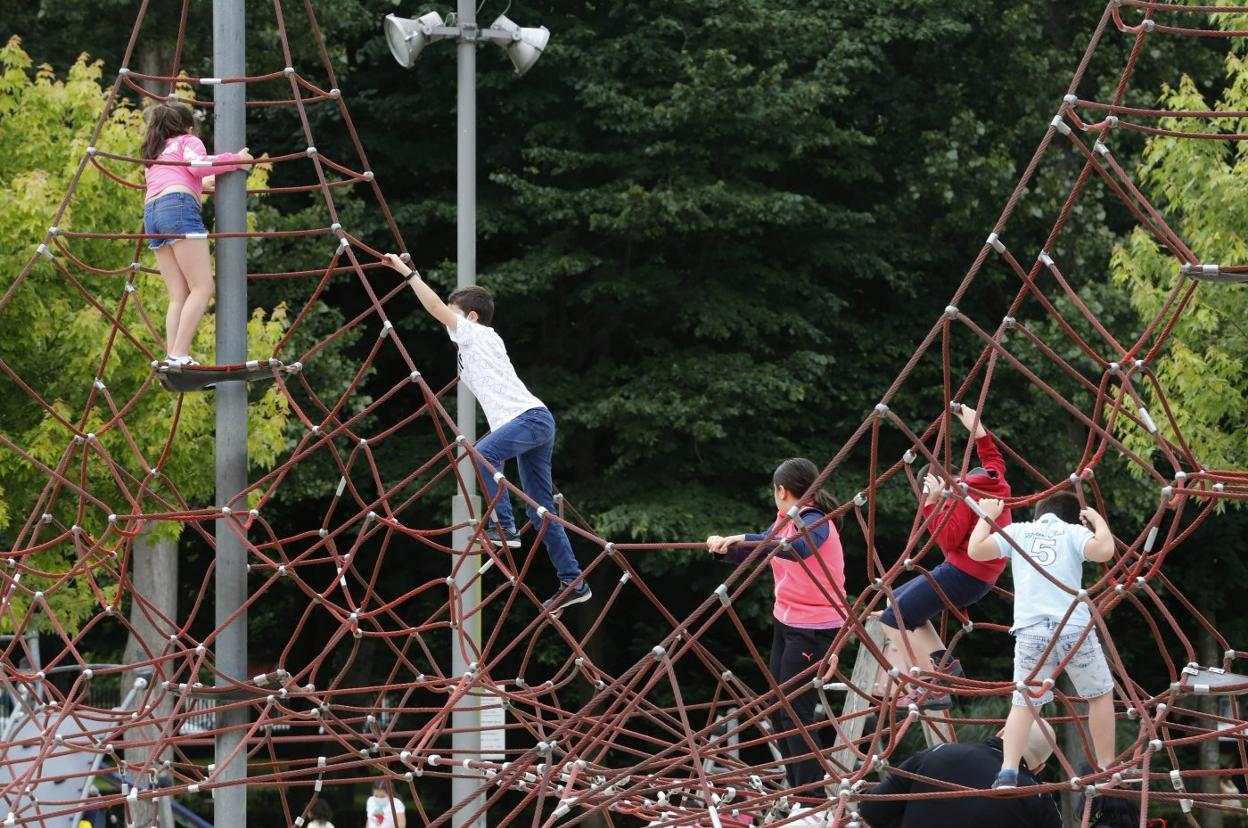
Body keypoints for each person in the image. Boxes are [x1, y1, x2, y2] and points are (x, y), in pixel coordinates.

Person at [381, 253, 590, 615]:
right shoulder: (472, 346)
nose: (448, 320)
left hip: (529, 419)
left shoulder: (477, 333)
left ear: (471, 317)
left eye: (454, 313)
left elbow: (433, 307)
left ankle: (503, 528)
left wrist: (409, 274)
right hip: (533, 421)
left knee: (482, 453)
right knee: (539, 510)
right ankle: (574, 582)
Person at [707, 458, 847, 792]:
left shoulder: (815, 520)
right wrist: (725, 547)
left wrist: (742, 535)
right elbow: (761, 550)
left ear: (781, 491)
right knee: (778, 707)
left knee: (795, 712)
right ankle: (797, 787)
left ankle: (809, 795)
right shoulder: (786, 520)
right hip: (788, 621)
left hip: (814, 628)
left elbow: (796, 548)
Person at [967, 491, 1117, 788]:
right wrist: (1099, 523)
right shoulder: (1074, 532)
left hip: (1031, 630)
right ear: (1077, 518)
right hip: (1072, 627)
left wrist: (988, 517)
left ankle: (1008, 772)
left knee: (1024, 703)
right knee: (1099, 696)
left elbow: (976, 550)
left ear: (1039, 514)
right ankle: (1106, 767)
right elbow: (1104, 551)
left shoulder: (1019, 531)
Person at [879, 404, 1012, 710]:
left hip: (963, 573)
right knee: (893, 601)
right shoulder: (995, 483)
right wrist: (976, 427)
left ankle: (929, 686)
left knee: (891, 619)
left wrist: (932, 504)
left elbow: (949, 540)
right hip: (973, 577)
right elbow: (993, 457)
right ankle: (945, 666)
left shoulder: (961, 495)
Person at [141, 103, 253, 366]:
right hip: (177, 210)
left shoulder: (154, 152)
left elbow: (173, 179)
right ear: (187, 127)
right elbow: (199, 165)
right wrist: (236, 159)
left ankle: (172, 355)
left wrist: (201, 186)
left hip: (152, 214)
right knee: (202, 287)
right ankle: (179, 354)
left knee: (178, 294)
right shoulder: (187, 140)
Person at [856, 720, 1062, 828]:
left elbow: (871, 809)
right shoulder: (1040, 800)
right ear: (1039, 768)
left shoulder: (939, 752)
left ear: (1000, 734)